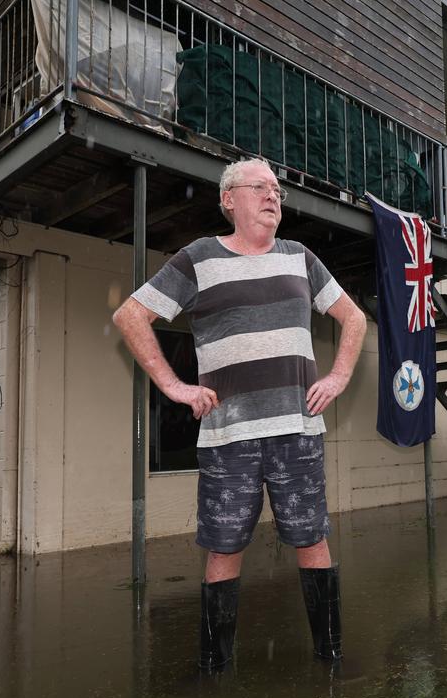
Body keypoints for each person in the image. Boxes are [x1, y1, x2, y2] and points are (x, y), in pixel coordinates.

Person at [113, 157, 367, 671]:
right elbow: (131, 314)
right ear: (230, 199)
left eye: (277, 189)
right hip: (230, 438)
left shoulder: (301, 257)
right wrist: (174, 385)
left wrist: (338, 377)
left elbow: (354, 317)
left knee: (312, 540)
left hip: (298, 431)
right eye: (260, 187)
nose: (273, 195)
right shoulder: (198, 259)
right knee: (224, 548)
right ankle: (214, 665)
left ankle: (332, 656)